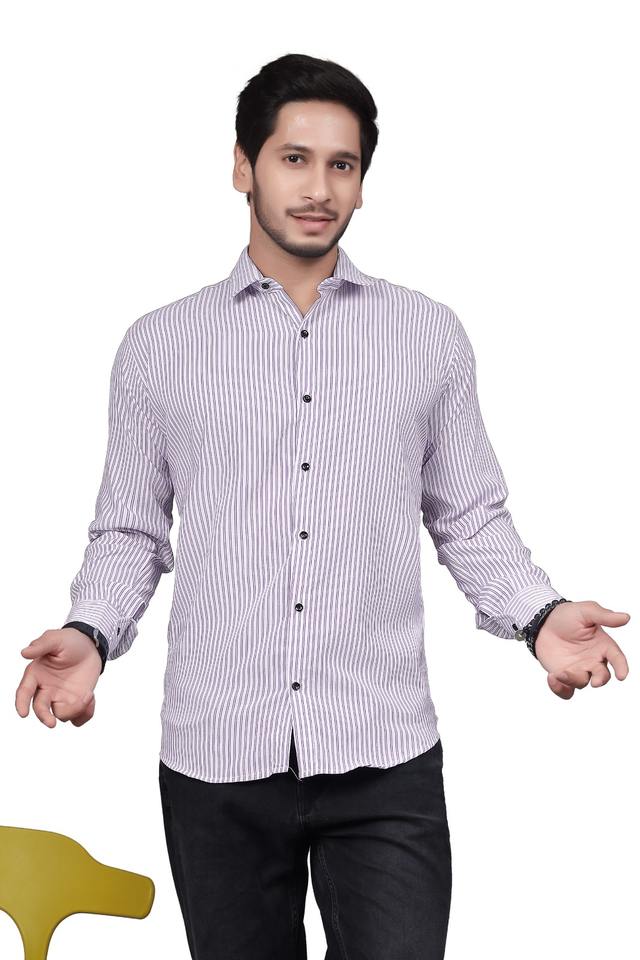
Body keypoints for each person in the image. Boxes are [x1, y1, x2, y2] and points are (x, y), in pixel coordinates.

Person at [15, 53, 631, 960]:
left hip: (384, 752)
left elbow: (468, 515)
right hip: (218, 754)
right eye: (294, 159)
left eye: (342, 164)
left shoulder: (427, 334)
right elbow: (131, 529)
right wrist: (92, 631)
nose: (318, 188)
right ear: (243, 166)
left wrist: (538, 615)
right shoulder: (160, 346)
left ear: (362, 181)